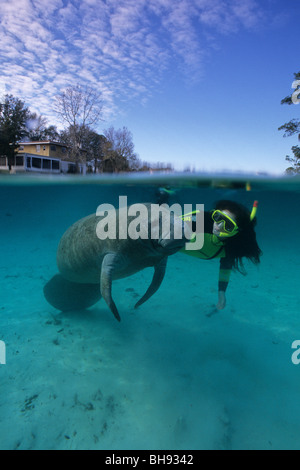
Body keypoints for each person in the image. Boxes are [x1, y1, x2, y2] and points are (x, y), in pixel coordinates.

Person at [181, 200, 262, 311]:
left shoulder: (230, 247)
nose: (218, 226)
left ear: (235, 231)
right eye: (218, 217)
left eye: (228, 225)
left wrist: (221, 293)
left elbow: (225, 267)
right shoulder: (200, 220)